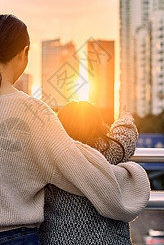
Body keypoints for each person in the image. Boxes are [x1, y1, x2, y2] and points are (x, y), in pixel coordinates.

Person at [0, 14, 150, 245]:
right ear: (24, 53)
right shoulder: (34, 111)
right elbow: (79, 169)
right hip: (14, 239)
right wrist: (132, 177)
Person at [39, 101, 139, 244]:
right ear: (97, 123)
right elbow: (125, 139)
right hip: (106, 240)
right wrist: (124, 118)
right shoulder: (107, 151)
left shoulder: (51, 155)